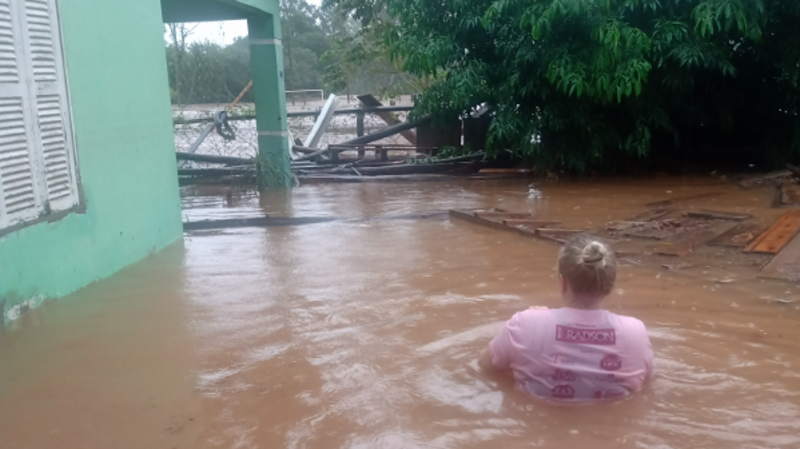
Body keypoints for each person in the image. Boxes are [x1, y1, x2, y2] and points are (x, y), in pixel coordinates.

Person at [478, 234, 654, 401]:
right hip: (613, 428)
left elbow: (484, 367)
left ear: (562, 282)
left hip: (540, 424)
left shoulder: (525, 323)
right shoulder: (636, 332)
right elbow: (646, 382)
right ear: (610, 285)